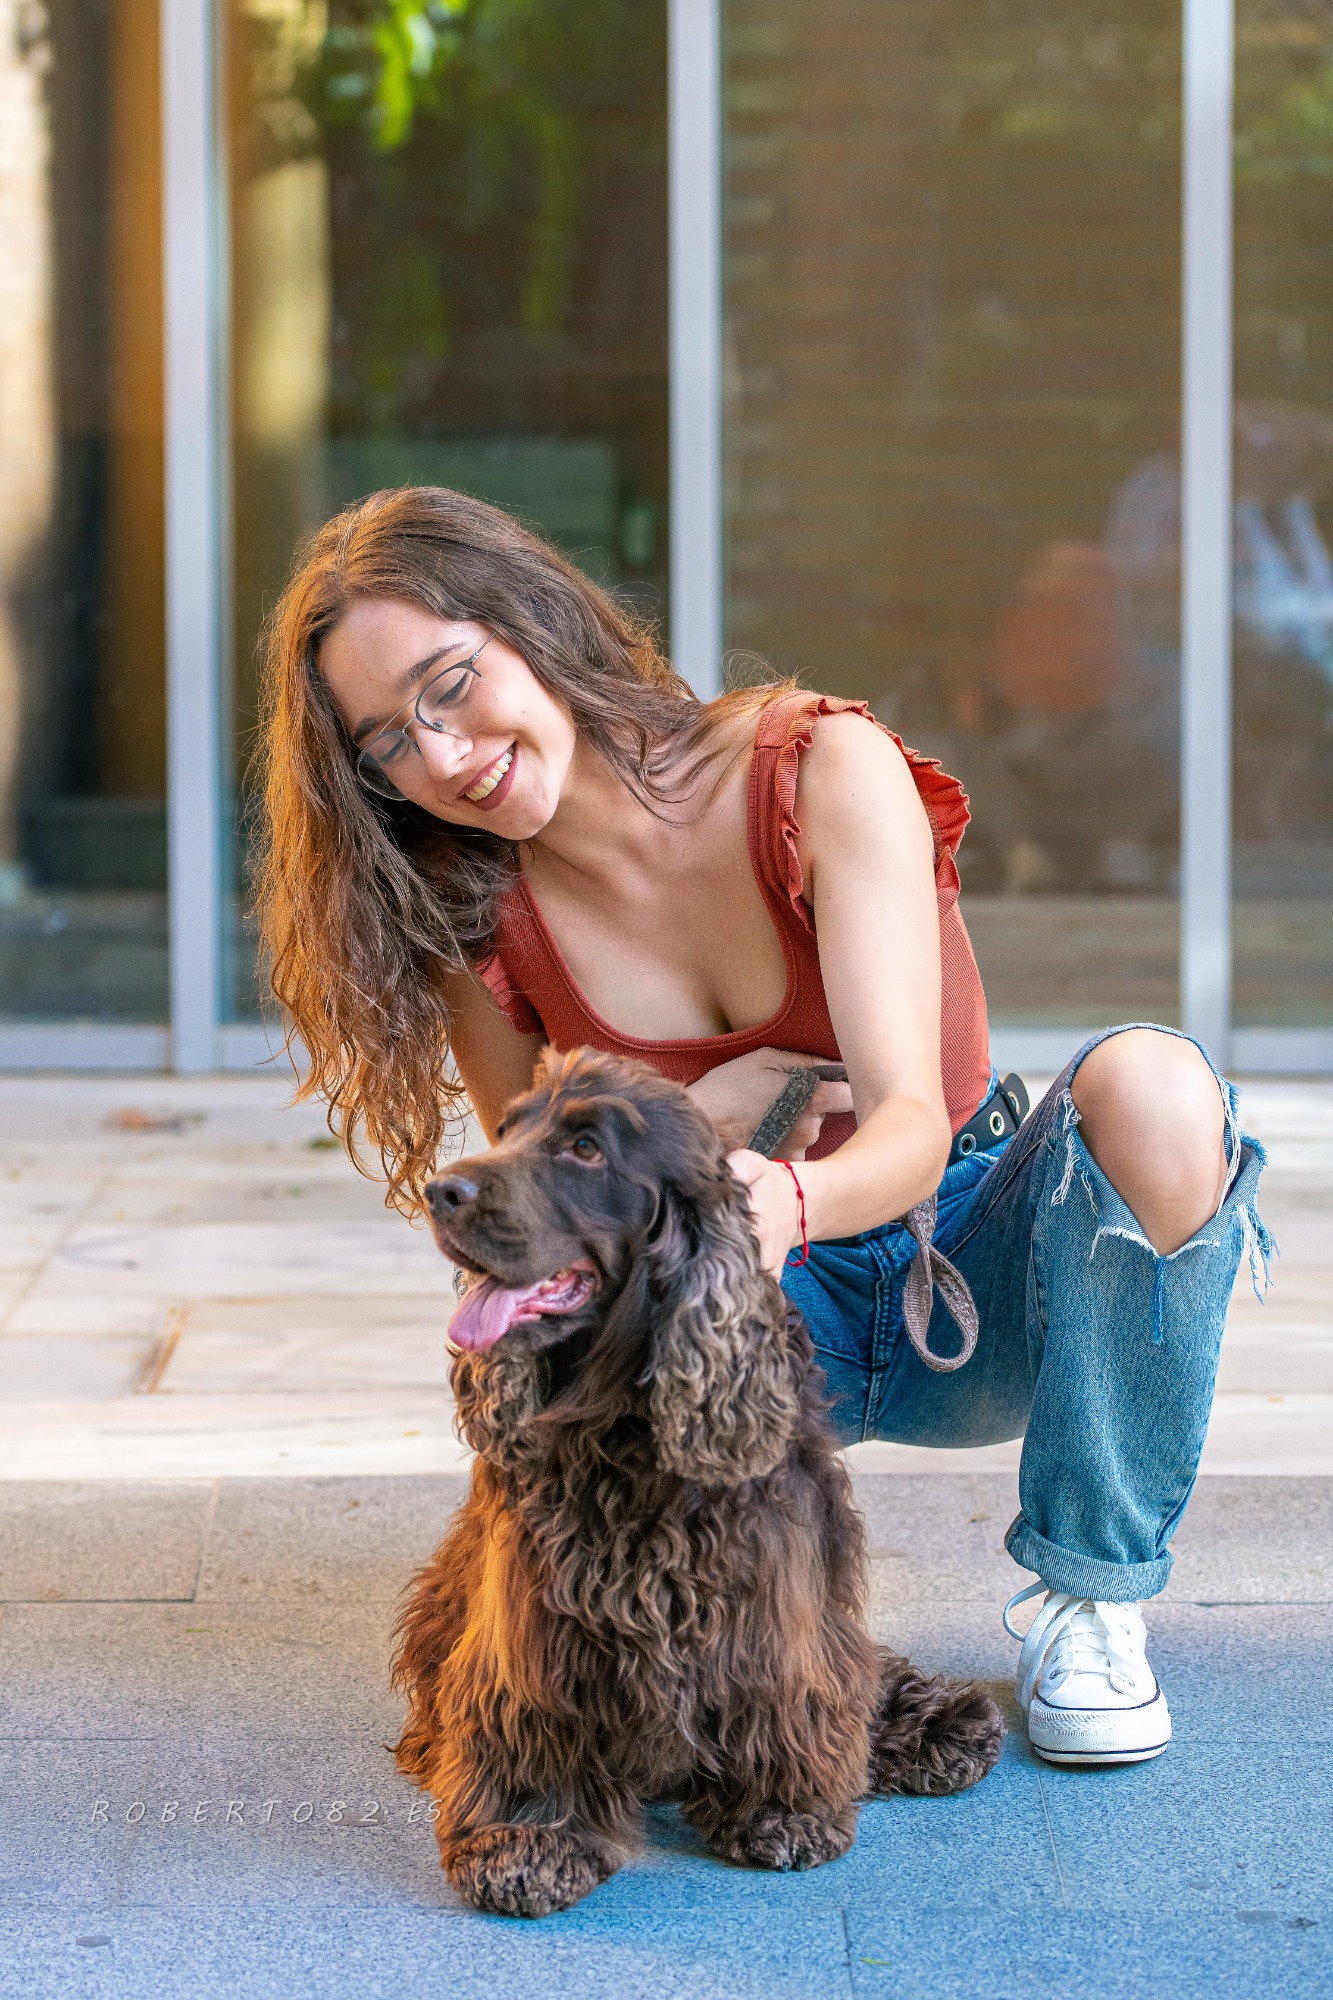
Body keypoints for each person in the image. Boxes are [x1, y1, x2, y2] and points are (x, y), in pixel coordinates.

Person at [257, 486, 1268, 1768]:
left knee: (1157, 1085)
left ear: (531, 620)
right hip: (731, 1335)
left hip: (966, 1275)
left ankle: (1091, 1600)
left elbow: (907, 1122)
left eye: (450, 685)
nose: (444, 755)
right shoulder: (473, 908)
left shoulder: (814, 770)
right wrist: (704, 1119)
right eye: (390, 743)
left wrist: (775, 1195)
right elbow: (547, 1223)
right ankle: (692, 1654)